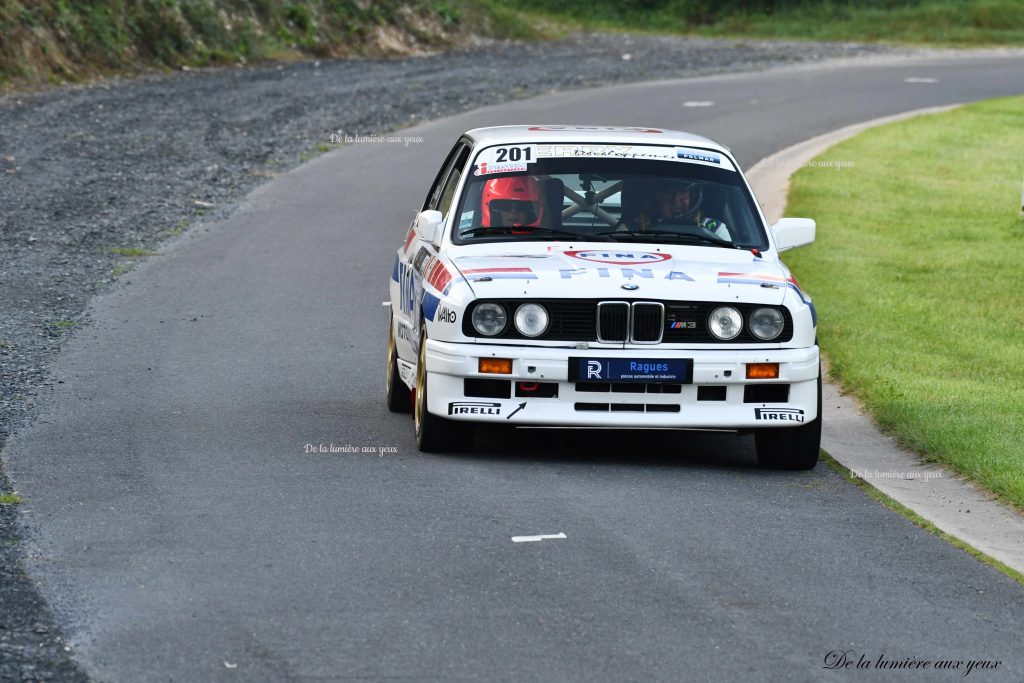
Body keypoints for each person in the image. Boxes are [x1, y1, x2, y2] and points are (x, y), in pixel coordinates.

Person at [636, 178, 730, 239]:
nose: (676, 202)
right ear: (658, 198)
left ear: (692, 197)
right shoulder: (635, 227)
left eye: (682, 192)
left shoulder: (715, 230)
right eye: (669, 193)